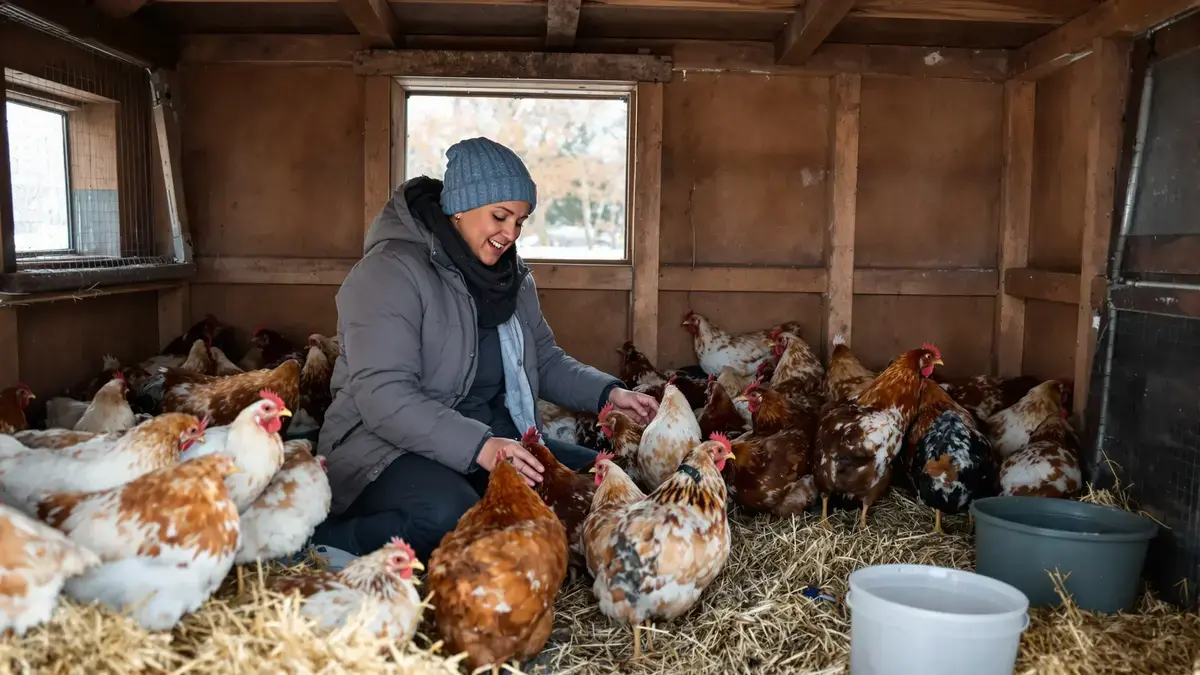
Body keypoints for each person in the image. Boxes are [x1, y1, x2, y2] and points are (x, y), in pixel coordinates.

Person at [312, 136, 658, 566]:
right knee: (456, 519)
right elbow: (383, 398)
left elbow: (545, 360)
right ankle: (323, 541)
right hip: (383, 447)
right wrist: (480, 446)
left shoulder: (512, 278)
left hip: (490, 436)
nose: (510, 233)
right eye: (500, 216)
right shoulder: (390, 273)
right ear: (460, 206)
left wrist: (610, 395)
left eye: (520, 221)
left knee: (601, 482)